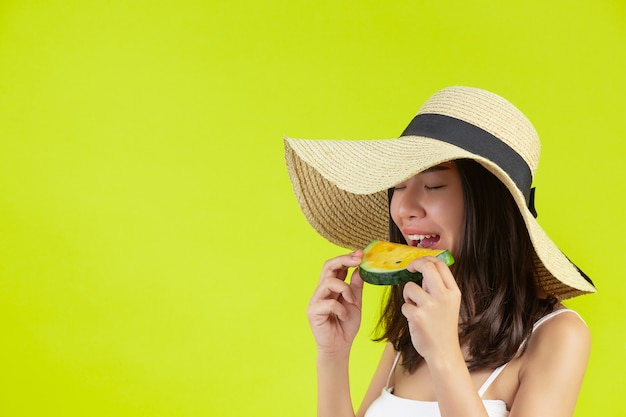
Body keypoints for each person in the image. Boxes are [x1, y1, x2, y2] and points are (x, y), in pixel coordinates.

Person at [283, 86, 596, 417]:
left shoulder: (558, 335)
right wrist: (332, 355)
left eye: (433, 186)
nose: (403, 208)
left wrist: (444, 354)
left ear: (489, 207)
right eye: (398, 187)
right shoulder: (413, 322)